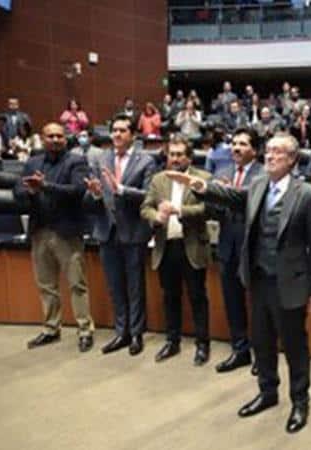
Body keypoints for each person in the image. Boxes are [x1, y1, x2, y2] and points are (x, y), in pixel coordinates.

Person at [166, 133, 311, 434]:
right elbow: (234, 198)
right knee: (262, 341)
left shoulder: (305, 193)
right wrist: (201, 186)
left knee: (294, 346)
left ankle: (300, 401)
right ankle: (267, 392)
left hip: (290, 283)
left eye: (278, 152)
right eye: (269, 151)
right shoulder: (258, 185)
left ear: (291, 160)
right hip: (259, 278)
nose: (270, 156)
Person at [14, 123, 95, 352]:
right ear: (43, 138)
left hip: (67, 233)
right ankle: (51, 328)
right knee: (46, 285)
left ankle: (85, 329)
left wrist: (45, 186)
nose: (56, 139)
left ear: (65, 138)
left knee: (77, 284)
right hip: (40, 231)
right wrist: (31, 191)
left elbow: (78, 191)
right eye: (51, 136)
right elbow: (17, 192)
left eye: (59, 136)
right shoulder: (32, 162)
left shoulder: (76, 162)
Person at [84, 114, 156, 356]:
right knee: (115, 285)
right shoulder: (101, 158)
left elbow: (148, 195)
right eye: (114, 130)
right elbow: (94, 196)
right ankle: (121, 332)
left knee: (135, 286)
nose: (116, 134)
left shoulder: (145, 161)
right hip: (106, 230)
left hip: (133, 230)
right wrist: (95, 193)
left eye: (122, 130)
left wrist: (122, 189)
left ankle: (136, 334)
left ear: (132, 135)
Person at [140, 134, 213, 365]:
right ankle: (172, 341)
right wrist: (157, 216)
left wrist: (180, 210)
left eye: (180, 154)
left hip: (191, 246)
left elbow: (208, 208)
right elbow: (145, 207)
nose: (175, 158)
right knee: (170, 297)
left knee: (197, 297)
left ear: (189, 157)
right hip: (166, 246)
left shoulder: (202, 178)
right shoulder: (158, 180)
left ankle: (203, 344)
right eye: (172, 154)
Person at [213, 127, 264, 374]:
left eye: (243, 144)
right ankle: (240, 351)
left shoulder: (262, 174)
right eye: (234, 143)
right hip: (226, 246)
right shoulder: (222, 172)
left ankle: (262, 355)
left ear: (254, 150)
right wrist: (213, 195)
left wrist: (223, 192)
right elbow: (212, 207)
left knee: (258, 305)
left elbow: (249, 200)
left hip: (253, 247)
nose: (236, 148)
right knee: (233, 303)